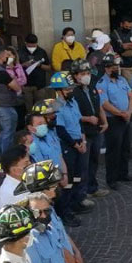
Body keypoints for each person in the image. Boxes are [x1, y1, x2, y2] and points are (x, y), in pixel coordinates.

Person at [50, 71, 93, 218]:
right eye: (68, 89)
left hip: (79, 142)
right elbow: (61, 130)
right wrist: (76, 145)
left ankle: (76, 201)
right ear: (59, 90)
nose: (71, 91)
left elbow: (78, 122)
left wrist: (83, 140)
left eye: (71, 88)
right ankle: (65, 210)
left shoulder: (73, 102)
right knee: (67, 180)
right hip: (68, 146)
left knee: (77, 176)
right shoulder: (56, 106)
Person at [70, 61, 108, 199]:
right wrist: (87, 119)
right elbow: (71, 114)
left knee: (94, 161)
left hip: (96, 130)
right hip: (83, 131)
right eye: (82, 74)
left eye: (87, 73)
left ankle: (93, 187)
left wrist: (105, 121)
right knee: (83, 165)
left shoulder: (92, 88)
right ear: (75, 76)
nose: (86, 76)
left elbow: (99, 106)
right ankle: (82, 192)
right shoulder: (73, 92)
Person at [96, 53, 132, 190]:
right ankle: (111, 179)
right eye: (113, 67)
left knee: (125, 148)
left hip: (126, 118)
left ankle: (123, 173)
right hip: (113, 120)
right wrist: (120, 113)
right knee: (114, 150)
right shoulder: (102, 83)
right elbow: (104, 103)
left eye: (117, 66)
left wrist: (129, 112)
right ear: (106, 68)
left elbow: (131, 96)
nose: (115, 69)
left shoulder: (122, 80)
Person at [0, 45, 22, 160]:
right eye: (7, 55)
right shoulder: (1, 72)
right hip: (4, 105)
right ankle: (6, 158)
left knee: (7, 129)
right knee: (8, 132)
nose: (9, 57)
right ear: (2, 56)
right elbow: (16, 87)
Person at [19, 34, 52, 110]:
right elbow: (15, 68)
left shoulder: (42, 52)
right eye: (30, 46)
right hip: (26, 85)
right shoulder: (20, 52)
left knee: (40, 107)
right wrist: (24, 65)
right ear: (26, 43)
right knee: (28, 108)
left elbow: (49, 67)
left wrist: (39, 65)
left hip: (40, 85)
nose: (32, 47)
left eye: (34, 45)